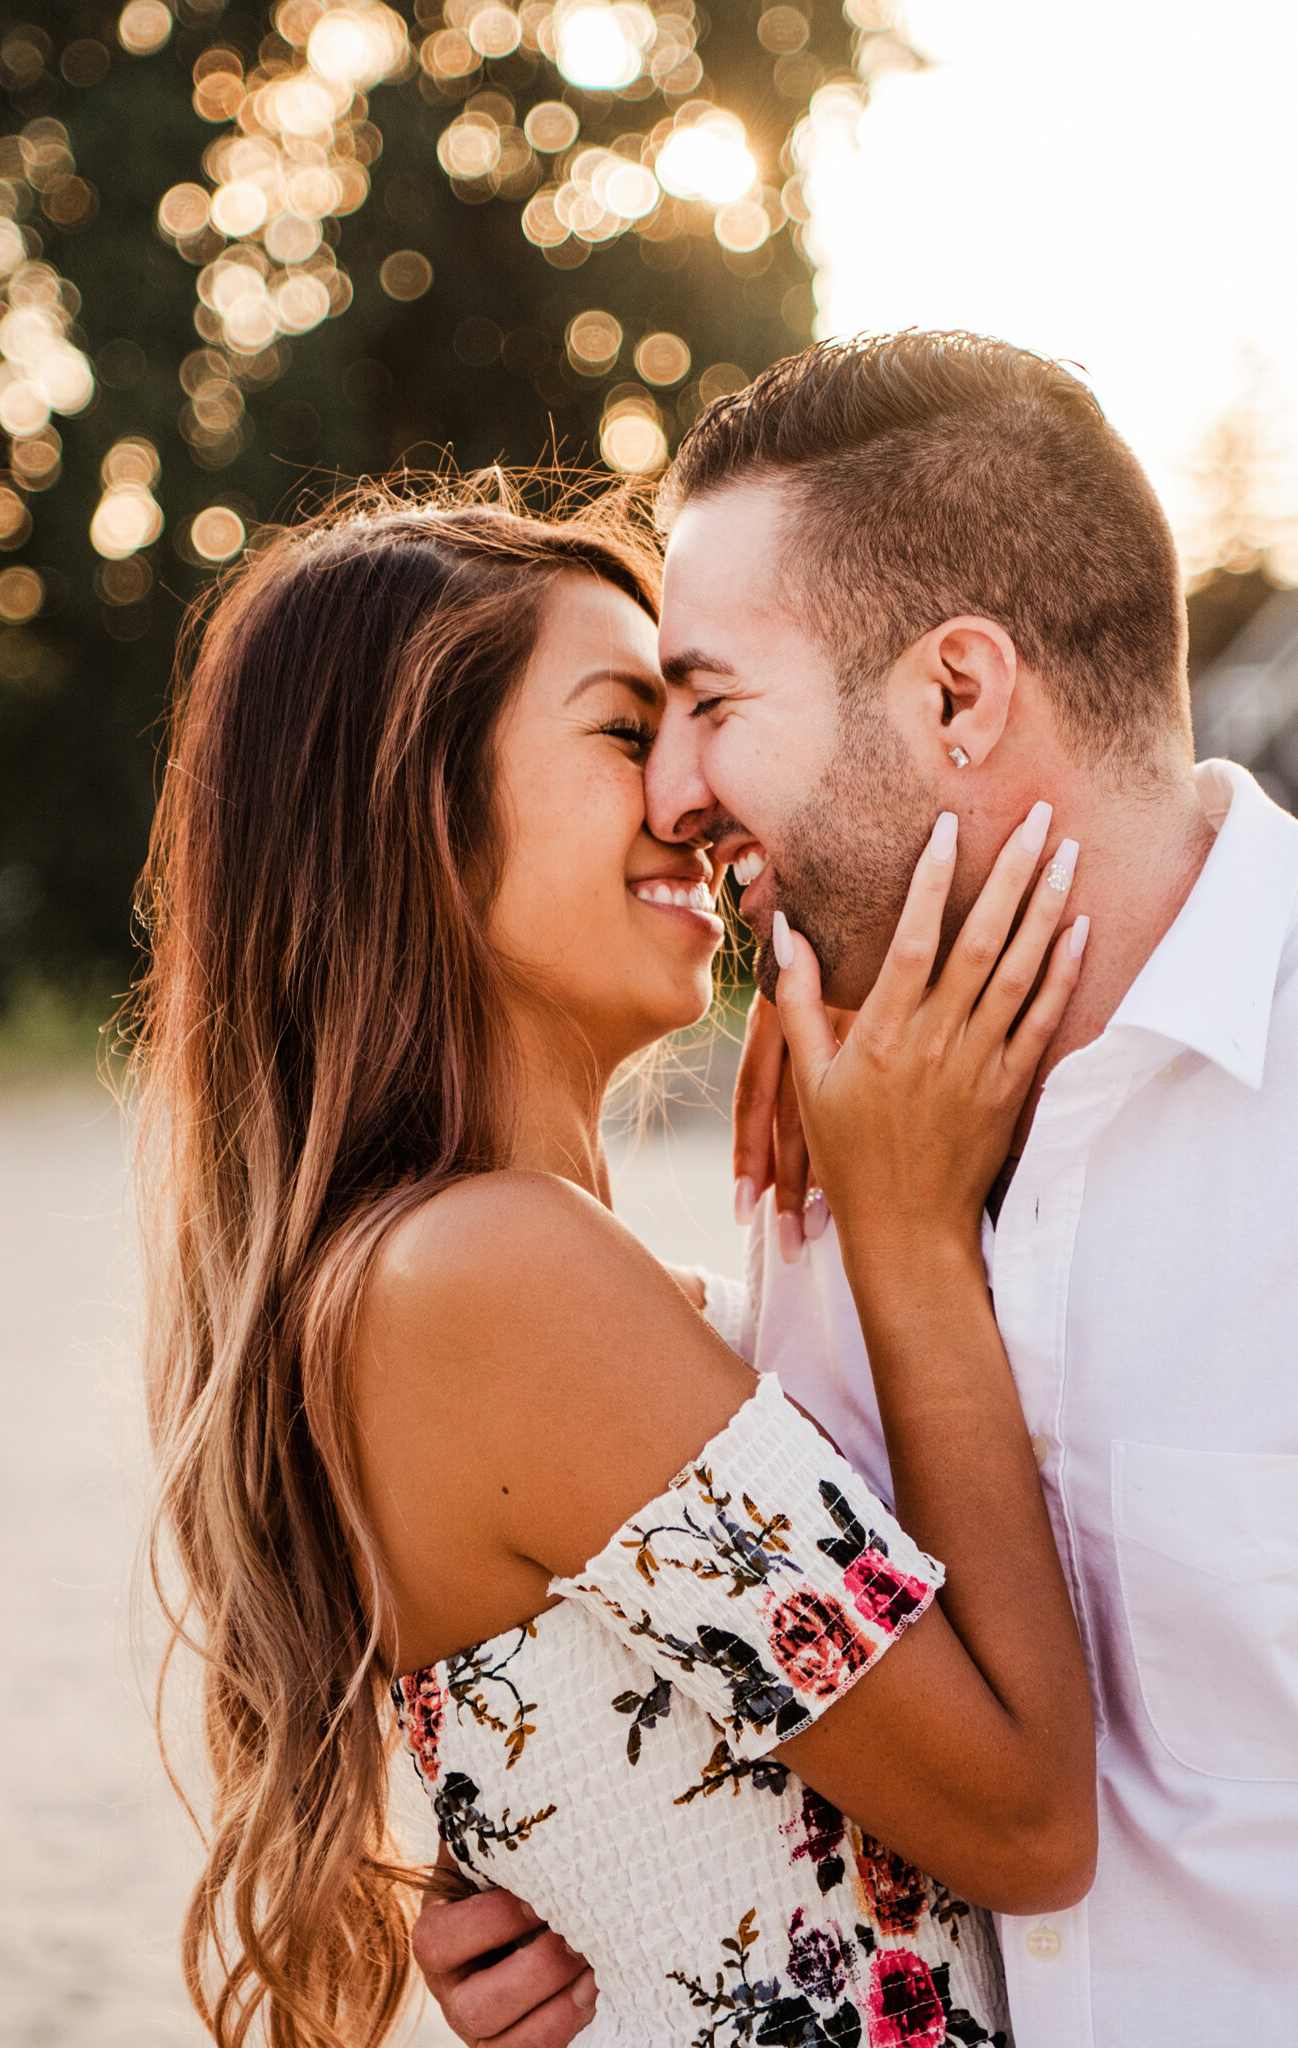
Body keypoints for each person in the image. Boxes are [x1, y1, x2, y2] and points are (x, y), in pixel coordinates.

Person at [136, 481, 1098, 2048]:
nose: (694, 794)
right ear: (419, 824)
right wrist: (905, 1233)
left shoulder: (469, 1273)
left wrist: (836, 1027)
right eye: (622, 729)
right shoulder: (491, 1278)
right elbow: (1031, 1824)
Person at [420, 335, 1298, 2048]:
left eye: (713, 702)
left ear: (957, 697)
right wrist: (591, 1890)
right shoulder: (812, 1150)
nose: (676, 796)